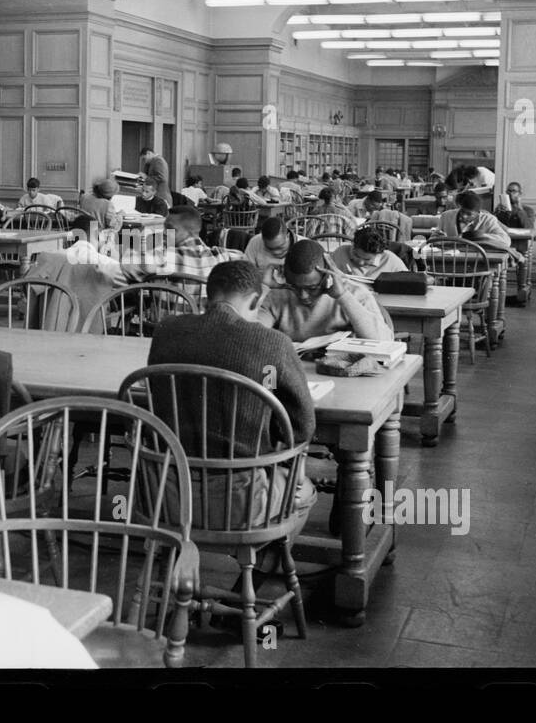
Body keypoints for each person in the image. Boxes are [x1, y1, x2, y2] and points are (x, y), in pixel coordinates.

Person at [147, 260, 317, 530]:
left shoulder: (166, 331)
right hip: (241, 502)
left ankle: (176, 555)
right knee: (304, 491)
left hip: (165, 496)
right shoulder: (273, 343)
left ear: (208, 294)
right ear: (254, 300)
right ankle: (262, 567)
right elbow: (302, 427)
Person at [257, 238, 394, 342]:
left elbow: (384, 341)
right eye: (294, 287)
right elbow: (246, 334)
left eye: (312, 288)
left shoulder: (356, 294)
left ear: (327, 275)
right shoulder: (277, 295)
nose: (303, 295)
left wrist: (343, 296)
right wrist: (263, 287)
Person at [123, 206, 243, 282]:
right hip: (207, 321)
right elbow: (244, 258)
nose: (164, 232)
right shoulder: (222, 256)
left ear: (189, 231)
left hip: (166, 322)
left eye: (170, 228)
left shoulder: (163, 258)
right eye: (164, 227)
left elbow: (127, 265)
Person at [433, 191, 513, 249]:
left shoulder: (488, 220)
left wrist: (479, 236)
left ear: (478, 213)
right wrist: (438, 239)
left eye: (469, 214)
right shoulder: (446, 216)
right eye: (462, 212)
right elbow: (432, 240)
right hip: (451, 260)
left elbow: (506, 241)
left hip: (479, 261)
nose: (464, 216)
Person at [330, 225, 410, 279]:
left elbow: (410, 283)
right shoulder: (340, 252)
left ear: (380, 254)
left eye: (367, 259)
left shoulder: (391, 261)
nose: (360, 263)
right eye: (356, 255)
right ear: (352, 244)